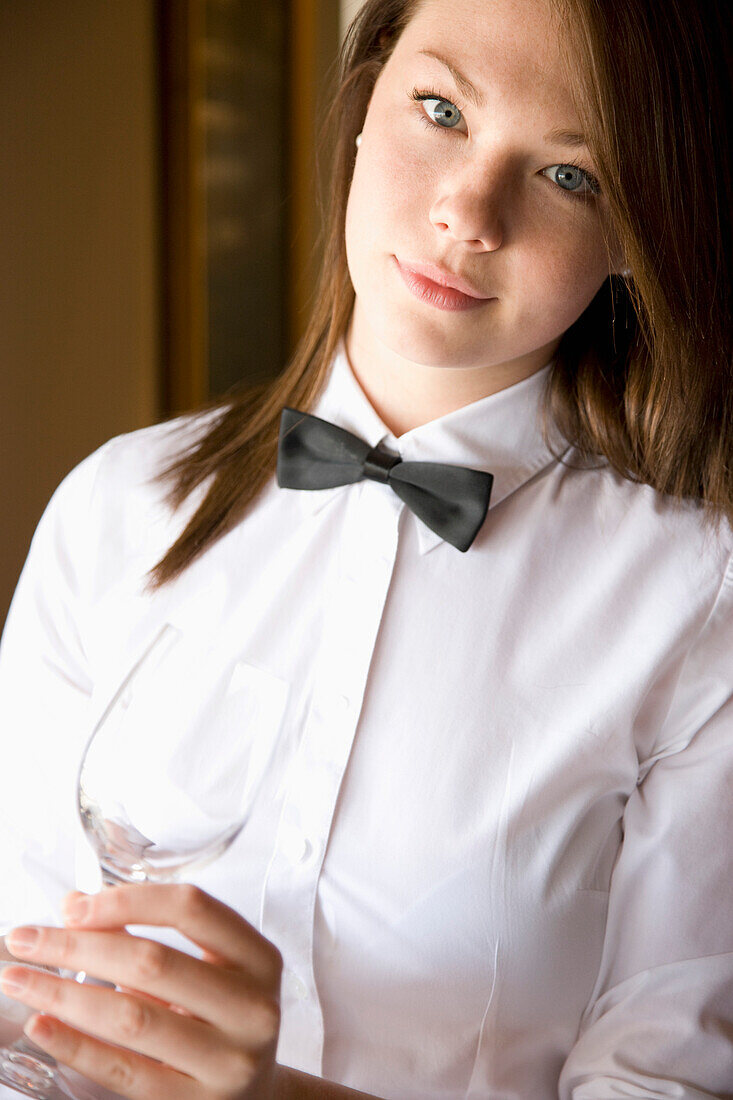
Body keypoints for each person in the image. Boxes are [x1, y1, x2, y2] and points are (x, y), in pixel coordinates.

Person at [0, 0, 731, 1096]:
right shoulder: (115, 508)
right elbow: (25, 1000)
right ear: (363, 103)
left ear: (634, 234)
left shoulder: (698, 595)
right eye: (439, 111)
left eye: (569, 174)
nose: (468, 213)